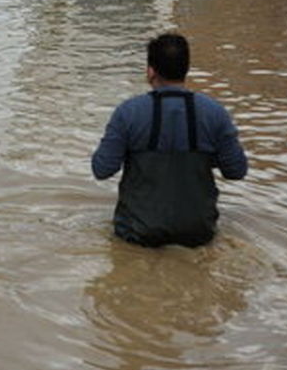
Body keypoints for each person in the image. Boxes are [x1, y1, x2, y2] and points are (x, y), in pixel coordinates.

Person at [92, 33, 248, 247]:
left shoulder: (127, 113)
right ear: (186, 70)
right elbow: (236, 171)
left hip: (137, 234)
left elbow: (101, 169)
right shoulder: (215, 113)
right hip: (198, 234)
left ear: (150, 71)